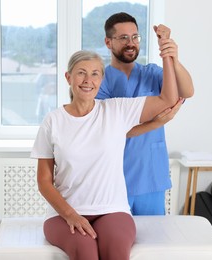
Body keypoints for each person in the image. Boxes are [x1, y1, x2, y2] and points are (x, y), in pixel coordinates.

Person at [31, 45, 179, 259]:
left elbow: (167, 99)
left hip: (112, 209)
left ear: (101, 79)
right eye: (81, 73)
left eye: (95, 74)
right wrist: (71, 215)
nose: (87, 80)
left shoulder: (115, 110)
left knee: (116, 250)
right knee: (85, 250)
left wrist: (168, 55)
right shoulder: (53, 121)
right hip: (63, 214)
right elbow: (44, 181)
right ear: (68, 77)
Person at [96, 12, 194, 215]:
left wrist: (172, 57)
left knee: (154, 241)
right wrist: (156, 122)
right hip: (115, 178)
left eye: (135, 37)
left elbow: (187, 91)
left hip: (151, 175)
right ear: (108, 42)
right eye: (123, 38)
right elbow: (110, 128)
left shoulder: (152, 73)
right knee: (117, 242)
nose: (130, 43)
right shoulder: (100, 80)